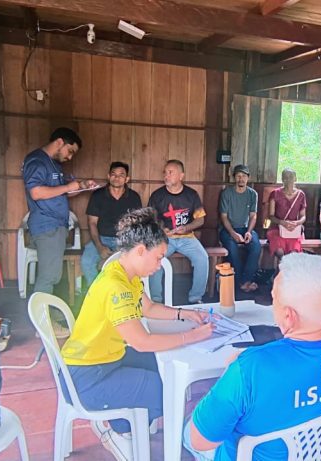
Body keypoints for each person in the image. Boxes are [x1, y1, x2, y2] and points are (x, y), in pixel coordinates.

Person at [184, 253, 321, 461]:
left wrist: (232, 374)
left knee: (189, 425)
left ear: (288, 315)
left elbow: (201, 441)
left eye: (274, 298)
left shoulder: (250, 368)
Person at [61, 207, 213, 461]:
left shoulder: (124, 273)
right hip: (87, 378)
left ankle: (126, 422)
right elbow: (142, 342)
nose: (159, 265)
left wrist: (184, 314)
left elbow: (149, 308)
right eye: (158, 258)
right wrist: (193, 336)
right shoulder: (116, 287)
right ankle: (117, 430)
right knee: (166, 391)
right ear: (141, 250)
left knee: (164, 370)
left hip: (103, 361)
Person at [22, 127, 97, 295]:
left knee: (52, 274)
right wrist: (68, 187)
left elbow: (60, 192)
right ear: (59, 142)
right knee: (49, 276)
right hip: (47, 225)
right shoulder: (37, 161)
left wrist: (82, 186)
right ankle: (41, 310)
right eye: (70, 151)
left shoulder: (54, 164)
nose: (70, 157)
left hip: (56, 226)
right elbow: (36, 193)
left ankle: (43, 308)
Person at [147, 159, 209, 304]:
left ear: (181, 176)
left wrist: (186, 228)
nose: (166, 176)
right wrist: (161, 229)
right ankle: (156, 300)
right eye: (165, 173)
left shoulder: (191, 195)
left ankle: (195, 298)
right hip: (165, 239)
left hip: (187, 237)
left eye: (170, 172)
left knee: (202, 259)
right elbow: (150, 219)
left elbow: (200, 220)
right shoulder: (157, 195)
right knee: (154, 258)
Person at [80, 161, 142, 287]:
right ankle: (97, 292)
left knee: (133, 263)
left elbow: (136, 225)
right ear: (108, 176)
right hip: (101, 238)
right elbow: (92, 223)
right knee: (86, 262)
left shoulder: (134, 197)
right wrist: (99, 246)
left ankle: (123, 293)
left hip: (124, 240)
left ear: (127, 179)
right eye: (113, 174)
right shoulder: (98, 195)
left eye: (121, 175)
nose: (117, 177)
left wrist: (125, 247)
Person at [218, 164, 262, 293]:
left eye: (243, 176)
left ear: (248, 178)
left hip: (246, 228)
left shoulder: (252, 194)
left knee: (256, 246)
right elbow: (223, 217)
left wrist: (249, 232)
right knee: (232, 249)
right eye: (238, 176)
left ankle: (245, 280)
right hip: (228, 229)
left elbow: (253, 216)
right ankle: (242, 282)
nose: (241, 179)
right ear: (234, 178)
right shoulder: (227, 193)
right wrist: (233, 233)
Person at [266, 168, 307, 265]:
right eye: (285, 177)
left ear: (295, 178)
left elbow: (303, 216)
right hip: (277, 229)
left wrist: (296, 223)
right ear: (282, 179)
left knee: (293, 253)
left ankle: (284, 272)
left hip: (293, 230)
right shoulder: (275, 194)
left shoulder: (301, 195)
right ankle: (283, 272)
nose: (288, 180)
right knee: (280, 252)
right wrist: (282, 222)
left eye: (291, 177)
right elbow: (271, 216)